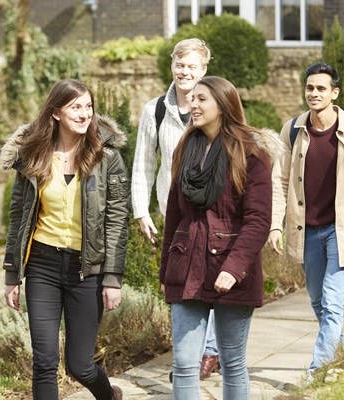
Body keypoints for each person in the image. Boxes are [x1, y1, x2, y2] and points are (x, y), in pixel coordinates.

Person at [0, 79, 129, 400]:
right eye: (76, 107)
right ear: (56, 112)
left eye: (88, 106)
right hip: (42, 266)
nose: (85, 114)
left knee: (80, 365)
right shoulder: (33, 156)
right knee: (44, 361)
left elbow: (116, 222)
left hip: (87, 272)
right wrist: (12, 274)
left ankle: (109, 395)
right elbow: (20, 216)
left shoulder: (106, 158)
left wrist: (113, 278)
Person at [160, 76, 284, 399]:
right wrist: (165, 272)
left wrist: (234, 266)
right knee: (185, 363)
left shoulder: (251, 153)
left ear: (223, 105)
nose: (193, 105)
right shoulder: (185, 148)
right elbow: (174, 215)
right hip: (186, 266)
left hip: (232, 269)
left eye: (202, 99)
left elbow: (258, 219)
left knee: (232, 362)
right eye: (192, 99)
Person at [267, 62, 344, 376]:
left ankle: (318, 371)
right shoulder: (292, 129)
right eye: (310, 87)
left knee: (333, 303)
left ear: (335, 93)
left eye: (321, 88)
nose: (314, 93)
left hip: (341, 230)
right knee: (319, 301)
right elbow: (279, 181)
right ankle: (343, 348)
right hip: (306, 230)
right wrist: (274, 224)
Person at [130, 38, 220, 379]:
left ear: (204, 70)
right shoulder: (155, 110)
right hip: (174, 214)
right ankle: (190, 353)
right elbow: (143, 164)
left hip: (213, 212)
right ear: (172, 66)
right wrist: (141, 210)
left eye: (192, 66)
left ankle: (208, 352)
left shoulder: (215, 106)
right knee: (181, 282)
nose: (185, 72)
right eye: (180, 65)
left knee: (211, 279)